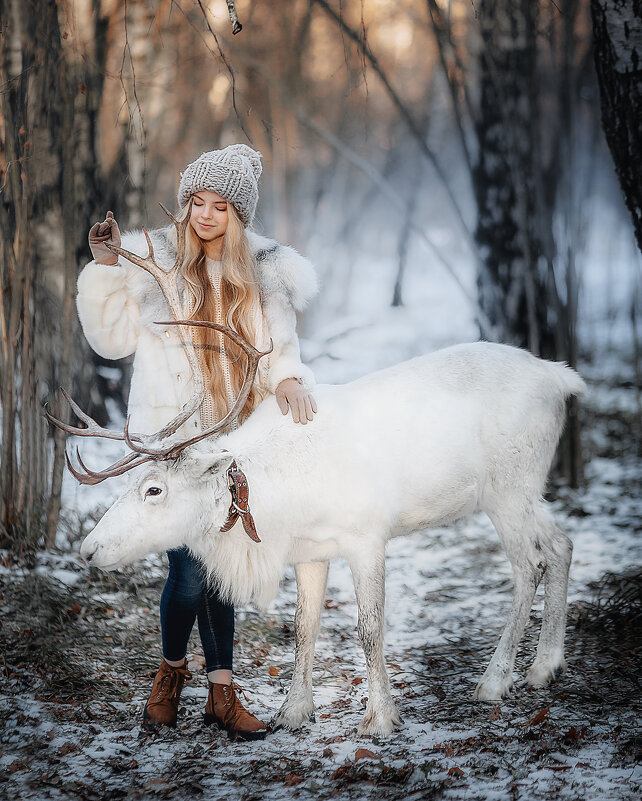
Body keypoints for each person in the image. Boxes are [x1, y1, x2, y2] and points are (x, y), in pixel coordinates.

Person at [76, 144, 318, 740]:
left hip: (234, 445)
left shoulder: (263, 271)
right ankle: (172, 672)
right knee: (188, 573)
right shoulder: (153, 260)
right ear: (184, 203)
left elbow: (279, 343)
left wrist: (287, 378)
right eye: (196, 202)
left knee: (222, 570)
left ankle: (221, 692)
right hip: (172, 443)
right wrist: (108, 267)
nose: (205, 215)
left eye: (220, 206)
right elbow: (109, 340)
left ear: (240, 216)